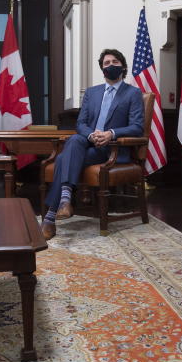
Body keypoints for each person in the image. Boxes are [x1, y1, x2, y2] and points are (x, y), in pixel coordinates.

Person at [40, 49, 144, 239]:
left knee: (63, 158)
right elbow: (81, 123)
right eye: (106, 63)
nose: (110, 65)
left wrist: (110, 134)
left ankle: (51, 216)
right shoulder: (92, 92)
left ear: (122, 66)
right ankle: (63, 201)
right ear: (102, 68)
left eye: (114, 62)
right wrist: (92, 136)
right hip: (88, 142)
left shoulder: (133, 93)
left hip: (111, 149)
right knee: (75, 139)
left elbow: (137, 127)